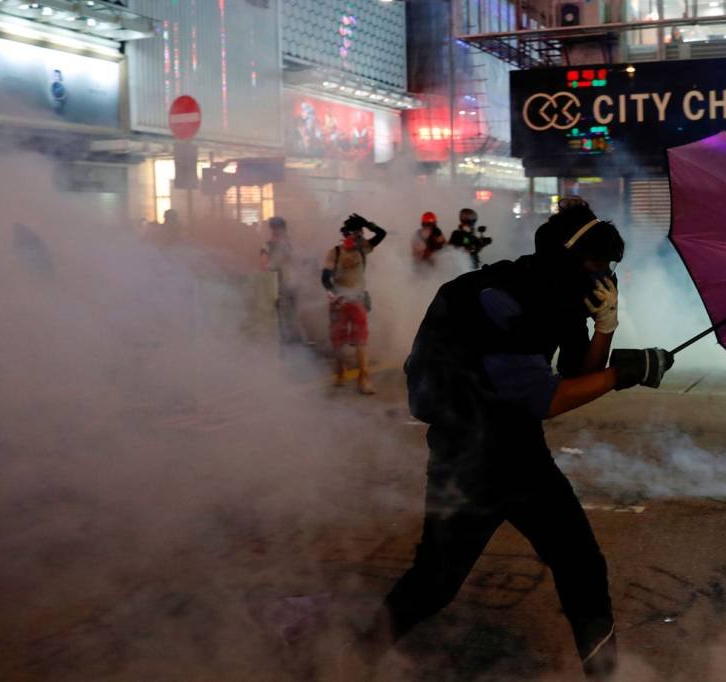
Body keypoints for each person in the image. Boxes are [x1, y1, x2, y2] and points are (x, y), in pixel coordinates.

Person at [354, 203, 674, 678]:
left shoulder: (560, 293)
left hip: (519, 454)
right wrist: (624, 373)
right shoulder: (503, 300)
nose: (605, 276)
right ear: (568, 258)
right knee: (435, 582)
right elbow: (545, 398)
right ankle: (351, 656)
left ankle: (605, 673)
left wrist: (606, 328)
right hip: (469, 461)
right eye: (598, 265)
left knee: (580, 564)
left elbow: (575, 372)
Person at [321, 213, 386, 394]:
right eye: (356, 233)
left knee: (361, 342)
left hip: (357, 301)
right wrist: (334, 295)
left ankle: (363, 380)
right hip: (339, 303)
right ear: (347, 234)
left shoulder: (363, 249)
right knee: (338, 341)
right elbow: (325, 278)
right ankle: (340, 372)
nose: (360, 236)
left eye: (361, 233)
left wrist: (368, 223)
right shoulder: (335, 252)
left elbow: (381, 234)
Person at [259, 216, 304, 346]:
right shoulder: (268, 246)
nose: (280, 231)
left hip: (291, 286)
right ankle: (286, 346)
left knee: (292, 317)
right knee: (282, 319)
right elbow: (264, 267)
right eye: (278, 228)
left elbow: (297, 262)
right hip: (278, 287)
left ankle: (294, 345)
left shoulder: (289, 245)